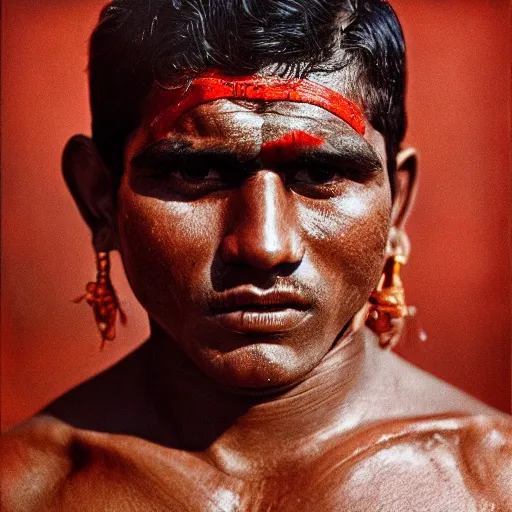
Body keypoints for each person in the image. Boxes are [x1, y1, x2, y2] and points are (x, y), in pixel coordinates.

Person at [1, 0, 510, 510]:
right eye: (195, 175)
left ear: (395, 204)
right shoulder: (23, 489)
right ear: (100, 198)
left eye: (319, 175)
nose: (264, 246)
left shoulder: (494, 485)